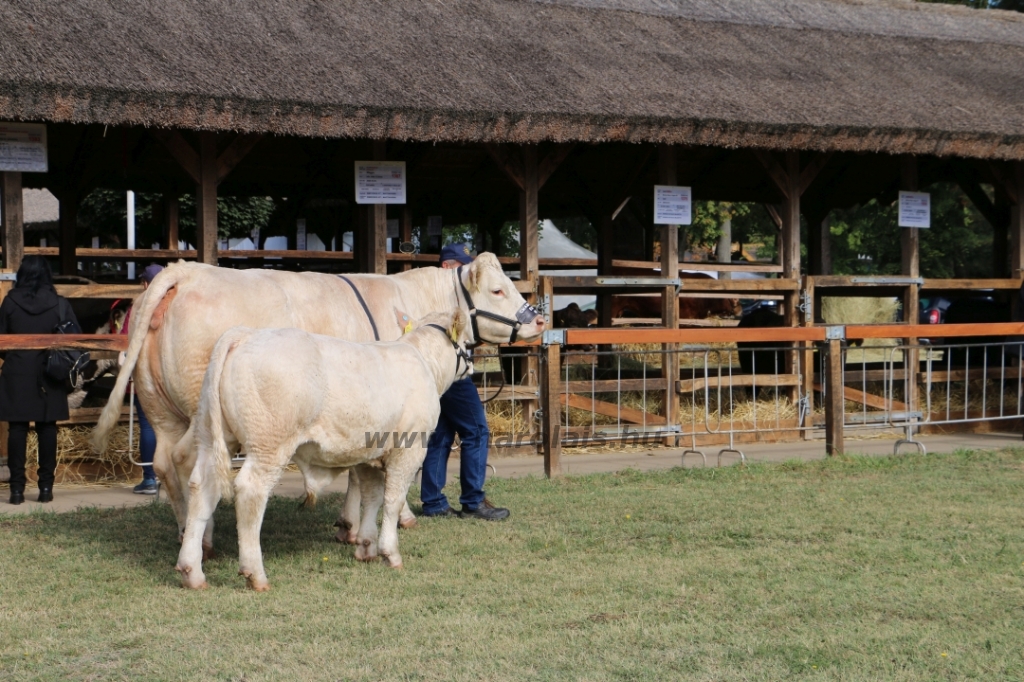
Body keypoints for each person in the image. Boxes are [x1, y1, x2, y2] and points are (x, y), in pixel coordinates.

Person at [420, 244, 510, 521]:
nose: (468, 273)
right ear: (448, 266)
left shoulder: (434, 294)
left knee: (441, 436)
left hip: (436, 372)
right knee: (477, 431)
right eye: (462, 266)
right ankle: (473, 501)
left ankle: (434, 503)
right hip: (454, 373)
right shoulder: (447, 297)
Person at [0, 256, 81, 504]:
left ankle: (16, 490)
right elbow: (74, 338)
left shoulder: (9, 302)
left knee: (17, 428)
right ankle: (46, 489)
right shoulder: (59, 304)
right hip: (50, 371)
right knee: (47, 428)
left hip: (17, 371)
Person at [125, 264, 163, 494]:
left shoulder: (139, 307)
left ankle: (150, 478)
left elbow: (123, 339)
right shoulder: (180, 304)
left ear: (147, 284)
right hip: (174, 378)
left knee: (149, 426)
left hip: (147, 376)